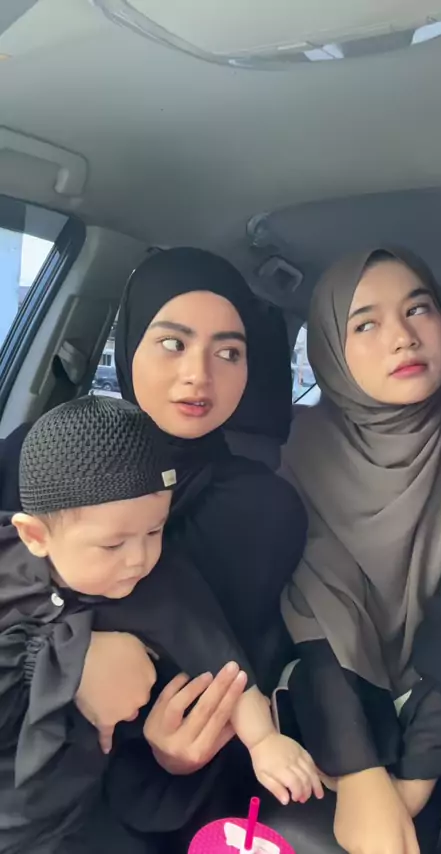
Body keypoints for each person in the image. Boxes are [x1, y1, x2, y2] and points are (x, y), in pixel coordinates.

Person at [0, 249, 308, 844]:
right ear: (129, 345)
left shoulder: (262, 510)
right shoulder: (36, 455)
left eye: (228, 352)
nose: (199, 375)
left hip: (135, 789)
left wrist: (178, 754)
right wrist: (68, 661)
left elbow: (222, 659)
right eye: (172, 342)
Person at [279, 247, 441, 854]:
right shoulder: (295, 452)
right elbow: (319, 606)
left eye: (418, 309)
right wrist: (361, 771)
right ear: (330, 350)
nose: (403, 337)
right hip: (326, 688)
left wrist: (416, 773)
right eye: (365, 323)